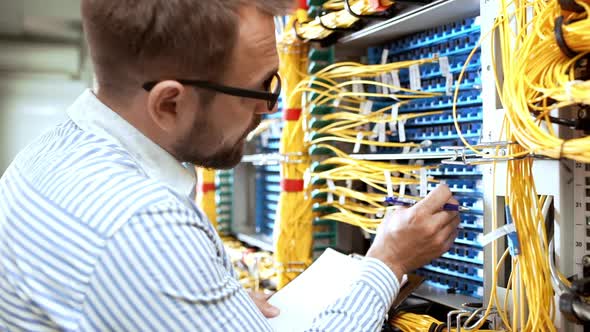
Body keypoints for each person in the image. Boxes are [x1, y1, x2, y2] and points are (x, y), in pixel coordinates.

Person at [0, 1, 460, 331]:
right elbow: (133, 250)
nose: (270, 111)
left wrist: (203, 311)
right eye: (262, 88)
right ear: (170, 102)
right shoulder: (140, 225)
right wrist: (387, 262)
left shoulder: (49, 153)